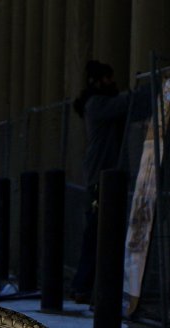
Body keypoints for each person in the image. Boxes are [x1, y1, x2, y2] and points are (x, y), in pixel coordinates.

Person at [70, 60, 150, 304]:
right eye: (107, 78)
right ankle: (84, 286)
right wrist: (154, 83)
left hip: (106, 176)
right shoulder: (97, 104)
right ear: (97, 81)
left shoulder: (99, 103)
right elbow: (128, 103)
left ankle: (87, 286)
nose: (112, 82)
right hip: (101, 178)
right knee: (96, 233)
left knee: (99, 233)